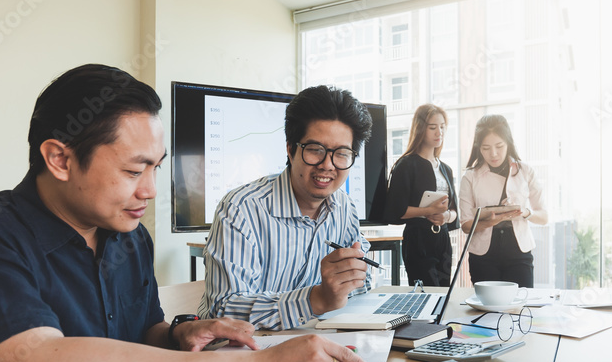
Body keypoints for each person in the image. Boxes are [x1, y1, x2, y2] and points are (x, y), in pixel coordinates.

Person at [0, 65, 366, 362]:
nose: (150, 191)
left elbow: (142, 333)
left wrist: (179, 335)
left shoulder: (128, 237)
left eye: (156, 167)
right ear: (59, 159)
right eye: (134, 170)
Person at [199, 85, 374, 330]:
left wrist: (355, 274)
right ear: (291, 149)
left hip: (314, 339)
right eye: (315, 150)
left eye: (342, 154)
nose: (327, 165)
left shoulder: (343, 206)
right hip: (243, 352)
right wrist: (316, 299)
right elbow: (225, 310)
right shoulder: (241, 209)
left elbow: (364, 280)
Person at [459, 114, 548, 287]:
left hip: (518, 252)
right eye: (486, 148)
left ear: (508, 143)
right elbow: (466, 225)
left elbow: (544, 217)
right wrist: (489, 222)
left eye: (499, 146)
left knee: (520, 308)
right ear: (478, 148)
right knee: (488, 311)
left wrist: (525, 212)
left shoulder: (525, 171)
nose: (493, 154)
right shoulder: (470, 177)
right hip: (483, 255)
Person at [383, 104, 459, 287]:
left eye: (442, 127)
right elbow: (395, 211)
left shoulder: (445, 169)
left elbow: (455, 211)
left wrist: (445, 216)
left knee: (443, 295)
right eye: (433, 127)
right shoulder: (405, 165)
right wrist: (428, 210)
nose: (438, 132)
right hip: (418, 240)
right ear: (420, 129)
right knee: (426, 295)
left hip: (443, 239)